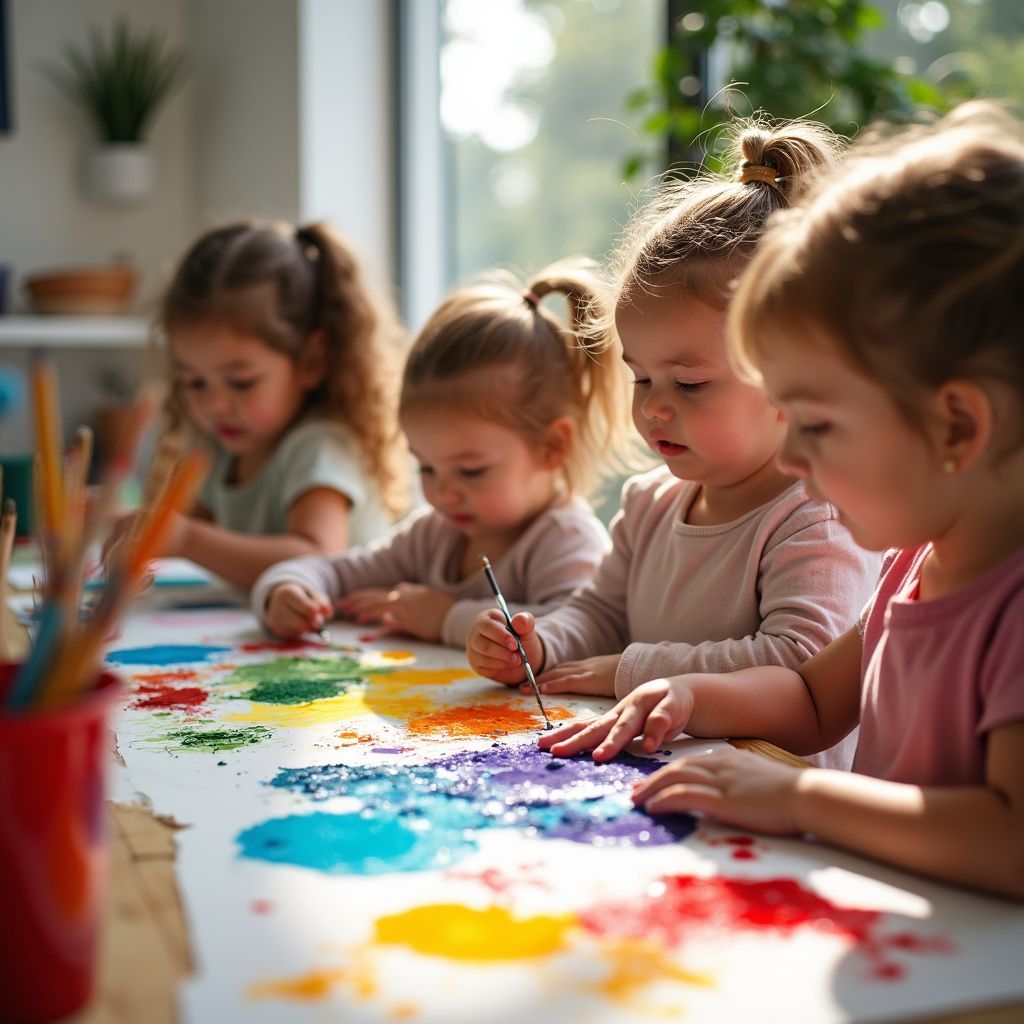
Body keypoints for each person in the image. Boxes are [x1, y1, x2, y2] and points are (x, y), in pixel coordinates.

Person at [539, 102, 1024, 898]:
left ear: (957, 426)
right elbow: (808, 697)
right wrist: (689, 693)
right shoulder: (916, 563)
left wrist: (802, 798)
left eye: (819, 425)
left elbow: (1011, 841)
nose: (793, 456)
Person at [466, 118, 878, 768]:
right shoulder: (649, 503)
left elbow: (796, 665)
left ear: (793, 375)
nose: (653, 406)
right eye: (640, 377)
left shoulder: (816, 517)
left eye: (689, 384)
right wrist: (539, 645)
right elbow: (600, 613)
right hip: (666, 780)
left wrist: (627, 670)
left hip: (771, 800)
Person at [250, 259, 633, 645]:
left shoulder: (566, 541)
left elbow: (580, 631)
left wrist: (446, 617)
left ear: (552, 446)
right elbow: (332, 571)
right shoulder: (433, 535)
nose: (443, 493)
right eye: (426, 468)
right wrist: (286, 591)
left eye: (470, 471)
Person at [103, 221, 406, 590]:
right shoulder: (222, 451)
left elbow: (319, 556)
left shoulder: (319, 446)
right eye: (194, 382)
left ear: (311, 361)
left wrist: (185, 538)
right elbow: (189, 527)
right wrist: (140, 530)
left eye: (241, 382)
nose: (215, 405)